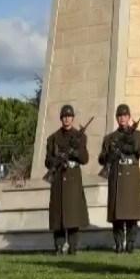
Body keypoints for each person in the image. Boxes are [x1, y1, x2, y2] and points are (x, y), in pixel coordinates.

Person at [99, 104, 140, 253]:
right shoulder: (110, 138)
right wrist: (110, 155)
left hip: (132, 175)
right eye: (120, 116)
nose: (122, 118)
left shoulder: (138, 135)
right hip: (116, 174)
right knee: (117, 215)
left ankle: (131, 243)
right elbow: (102, 159)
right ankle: (119, 243)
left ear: (129, 117)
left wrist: (134, 145)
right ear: (117, 118)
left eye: (125, 115)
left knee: (132, 213)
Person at [45, 104, 90, 255]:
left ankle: (73, 246)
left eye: (69, 116)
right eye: (64, 116)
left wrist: (74, 152)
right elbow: (47, 160)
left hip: (72, 178)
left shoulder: (81, 137)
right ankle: (58, 245)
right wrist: (56, 160)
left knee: (73, 214)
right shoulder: (53, 138)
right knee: (58, 214)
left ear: (73, 118)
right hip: (57, 176)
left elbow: (85, 159)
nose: (67, 119)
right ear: (61, 118)